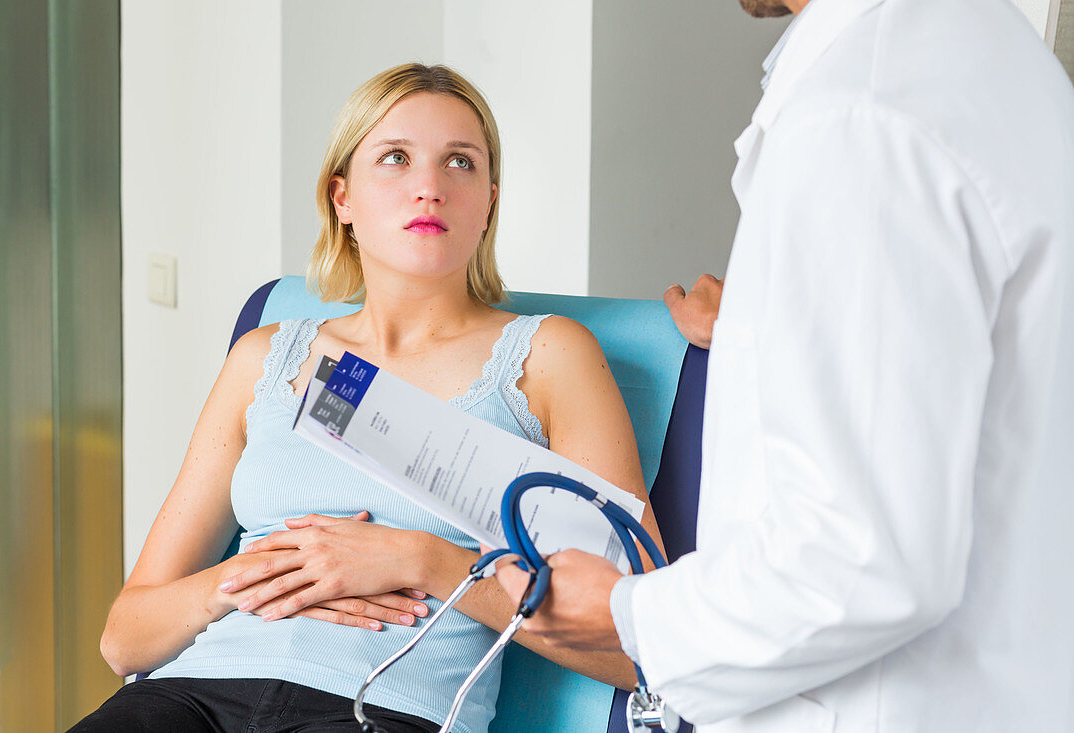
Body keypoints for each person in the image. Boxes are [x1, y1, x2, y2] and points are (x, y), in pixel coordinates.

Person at [494, 0, 1074, 730]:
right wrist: (772, 328)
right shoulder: (1000, 61)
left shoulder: (858, 115)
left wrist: (628, 617)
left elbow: (860, 559)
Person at [75, 63, 663, 733]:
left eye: (460, 163)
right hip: (191, 697)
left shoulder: (548, 356)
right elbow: (125, 639)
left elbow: (645, 640)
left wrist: (425, 560)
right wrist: (246, 576)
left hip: (381, 708)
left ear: (489, 201)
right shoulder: (265, 358)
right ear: (342, 197)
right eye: (394, 158)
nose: (430, 187)